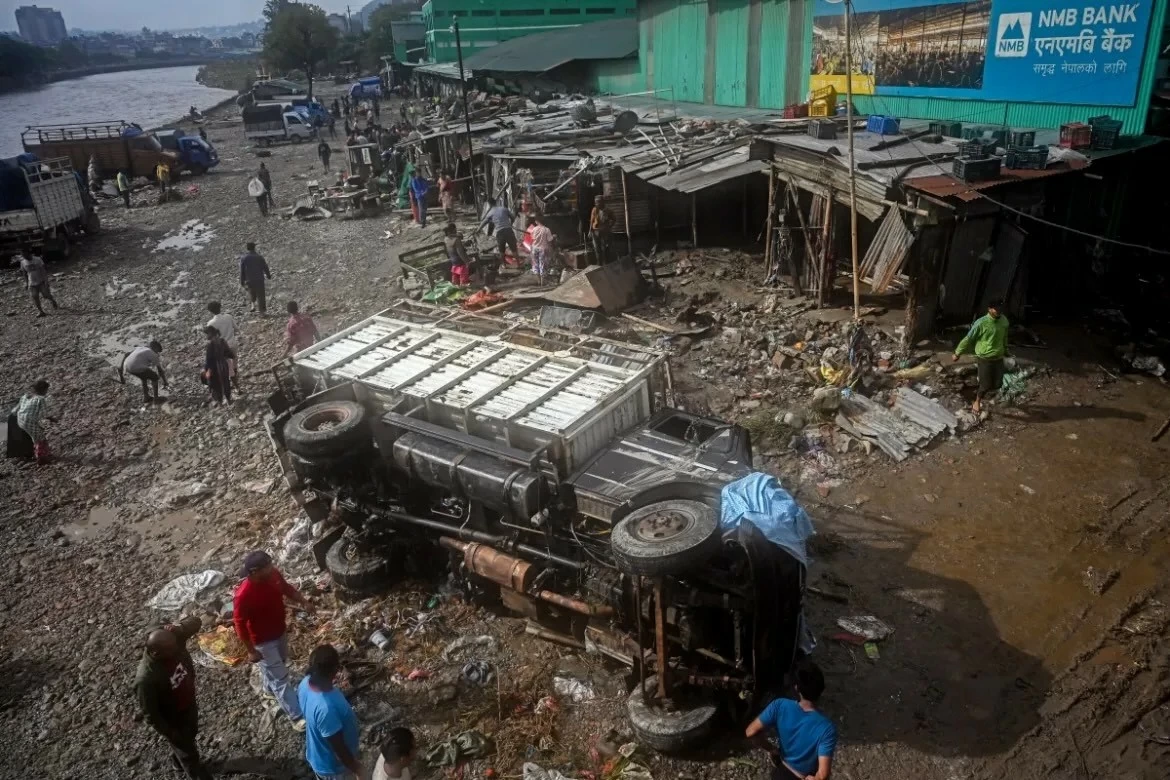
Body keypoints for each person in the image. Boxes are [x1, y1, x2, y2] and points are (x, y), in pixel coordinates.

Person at [233, 550, 311, 731]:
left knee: (282, 662)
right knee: (281, 679)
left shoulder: (274, 575)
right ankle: (296, 717)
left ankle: (268, 690)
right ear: (254, 572)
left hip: (280, 631)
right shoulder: (243, 595)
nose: (272, 568)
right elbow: (239, 624)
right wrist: (251, 650)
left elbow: (287, 589)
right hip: (262, 641)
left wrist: (303, 601)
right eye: (266, 566)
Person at [135, 616, 212, 780]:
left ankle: (177, 762)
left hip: (188, 704)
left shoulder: (171, 639)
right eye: (171, 649)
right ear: (156, 652)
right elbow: (151, 715)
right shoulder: (146, 679)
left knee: (190, 736)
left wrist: (179, 629)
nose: (177, 649)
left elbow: (196, 621)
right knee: (189, 756)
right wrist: (171, 733)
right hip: (174, 717)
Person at [744, 660, 837, 780]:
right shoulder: (827, 728)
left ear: (797, 688)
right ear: (821, 689)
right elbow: (823, 774)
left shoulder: (779, 705)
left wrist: (771, 748)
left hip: (780, 773)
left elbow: (750, 732)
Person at [299, 644, 362, 779]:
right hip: (335, 769)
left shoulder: (304, 684)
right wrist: (356, 768)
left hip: (320, 756)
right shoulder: (326, 709)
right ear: (334, 670)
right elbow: (339, 750)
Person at [952, 299, 1009, 413]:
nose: (998, 312)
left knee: (998, 383)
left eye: (1000, 309)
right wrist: (958, 353)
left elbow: (1004, 337)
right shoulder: (981, 323)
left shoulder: (1004, 321)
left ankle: (983, 386)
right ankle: (977, 401)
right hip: (985, 358)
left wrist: (1006, 350)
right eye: (996, 309)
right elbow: (968, 339)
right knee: (986, 385)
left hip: (998, 357)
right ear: (989, 309)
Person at [11, 380, 55, 464]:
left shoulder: (26, 396)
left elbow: (16, 409)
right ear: (43, 390)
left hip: (20, 419)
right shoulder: (41, 399)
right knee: (40, 438)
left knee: (35, 435)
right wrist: (52, 419)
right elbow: (44, 414)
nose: (46, 392)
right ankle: (41, 458)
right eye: (46, 390)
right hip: (29, 422)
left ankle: (35, 453)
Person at [16, 245, 58, 316]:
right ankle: (41, 312)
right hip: (32, 283)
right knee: (35, 297)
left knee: (46, 295)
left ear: (28, 253)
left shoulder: (37, 259)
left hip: (41, 281)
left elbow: (43, 271)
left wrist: (46, 281)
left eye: (25, 254)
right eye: (22, 255)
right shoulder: (23, 262)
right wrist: (26, 283)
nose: (24, 256)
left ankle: (52, 301)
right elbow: (24, 274)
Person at [207, 301, 239, 389]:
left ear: (210, 311)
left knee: (228, 367)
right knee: (234, 363)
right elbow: (236, 329)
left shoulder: (210, 323)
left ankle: (236, 387)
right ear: (220, 307)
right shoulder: (228, 317)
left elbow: (211, 338)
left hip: (222, 348)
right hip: (233, 343)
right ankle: (235, 377)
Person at [202, 326, 235, 406]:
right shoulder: (222, 341)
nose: (206, 336)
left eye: (207, 334)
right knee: (226, 382)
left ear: (211, 334)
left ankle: (220, 402)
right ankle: (228, 400)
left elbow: (209, 360)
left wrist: (207, 372)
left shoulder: (210, 345)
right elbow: (229, 353)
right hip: (223, 365)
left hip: (214, 367)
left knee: (216, 385)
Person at [479, 199, 519, 264]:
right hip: (509, 230)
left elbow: (484, 222)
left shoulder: (490, 213)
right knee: (514, 249)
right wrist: (510, 224)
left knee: (501, 250)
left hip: (500, 232)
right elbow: (512, 217)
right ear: (496, 203)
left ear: (489, 204)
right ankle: (518, 264)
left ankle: (504, 265)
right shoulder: (504, 209)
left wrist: (478, 230)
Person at [240, 242, 271, 315]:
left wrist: (242, 280)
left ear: (247, 248)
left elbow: (242, 270)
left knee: (251, 292)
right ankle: (262, 312)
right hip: (259, 278)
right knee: (261, 295)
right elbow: (265, 267)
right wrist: (268, 275)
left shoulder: (244, 258)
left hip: (249, 279)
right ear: (254, 247)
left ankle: (253, 305)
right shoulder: (259, 257)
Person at [529, 215, 555, 279]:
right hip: (543, 249)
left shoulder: (534, 229)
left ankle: (538, 281)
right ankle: (542, 282)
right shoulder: (547, 230)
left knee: (536, 265)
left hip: (535, 249)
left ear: (537, 221)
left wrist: (531, 248)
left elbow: (532, 239)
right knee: (542, 265)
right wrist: (553, 237)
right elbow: (550, 240)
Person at [590, 196, 613, 263]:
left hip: (604, 232)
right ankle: (599, 264)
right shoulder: (594, 210)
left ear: (603, 202)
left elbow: (614, 219)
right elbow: (591, 221)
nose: (596, 204)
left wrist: (609, 226)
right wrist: (590, 231)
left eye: (598, 202)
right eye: (596, 202)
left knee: (605, 249)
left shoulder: (608, 210)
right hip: (596, 232)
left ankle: (606, 263)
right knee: (597, 249)